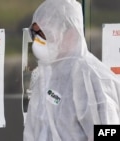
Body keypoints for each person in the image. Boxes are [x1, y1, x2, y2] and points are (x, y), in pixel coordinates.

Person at [23, 0, 120, 141]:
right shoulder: (46, 76)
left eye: (46, 34)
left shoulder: (92, 78)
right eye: (36, 34)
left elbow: (107, 132)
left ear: (72, 34)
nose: (39, 42)